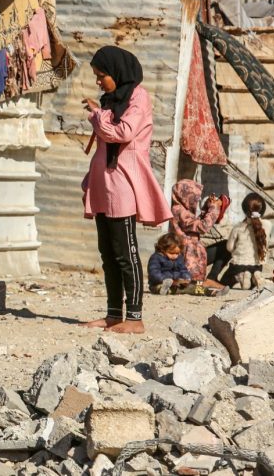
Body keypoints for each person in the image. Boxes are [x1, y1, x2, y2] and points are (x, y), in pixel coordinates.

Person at [80, 46, 172, 334]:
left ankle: (134, 317)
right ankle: (113, 314)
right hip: (103, 184)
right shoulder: (111, 100)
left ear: (117, 72)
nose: (98, 82)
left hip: (122, 185)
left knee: (125, 253)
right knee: (107, 254)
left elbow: (122, 133)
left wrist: (97, 116)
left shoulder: (137, 97)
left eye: (101, 75)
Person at [169, 180, 228, 291]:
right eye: (194, 197)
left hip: (192, 254)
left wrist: (207, 208)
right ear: (185, 195)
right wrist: (214, 208)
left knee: (225, 246)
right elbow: (203, 227)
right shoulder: (179, 211)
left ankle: (207, 284)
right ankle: (205, 287)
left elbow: (196, 223)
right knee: (193, 285)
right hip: (186, 258)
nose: (197, 200)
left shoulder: (183, 210)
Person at [221, 193, 272, 289]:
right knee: (253, 275)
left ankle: (241, 276)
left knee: (225, 281)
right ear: (263, 210)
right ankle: (256, 275)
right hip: (257, 265)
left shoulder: (238, 227)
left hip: (238, 264)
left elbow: (229, 247)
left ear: (244, 210)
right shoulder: (268, 225)